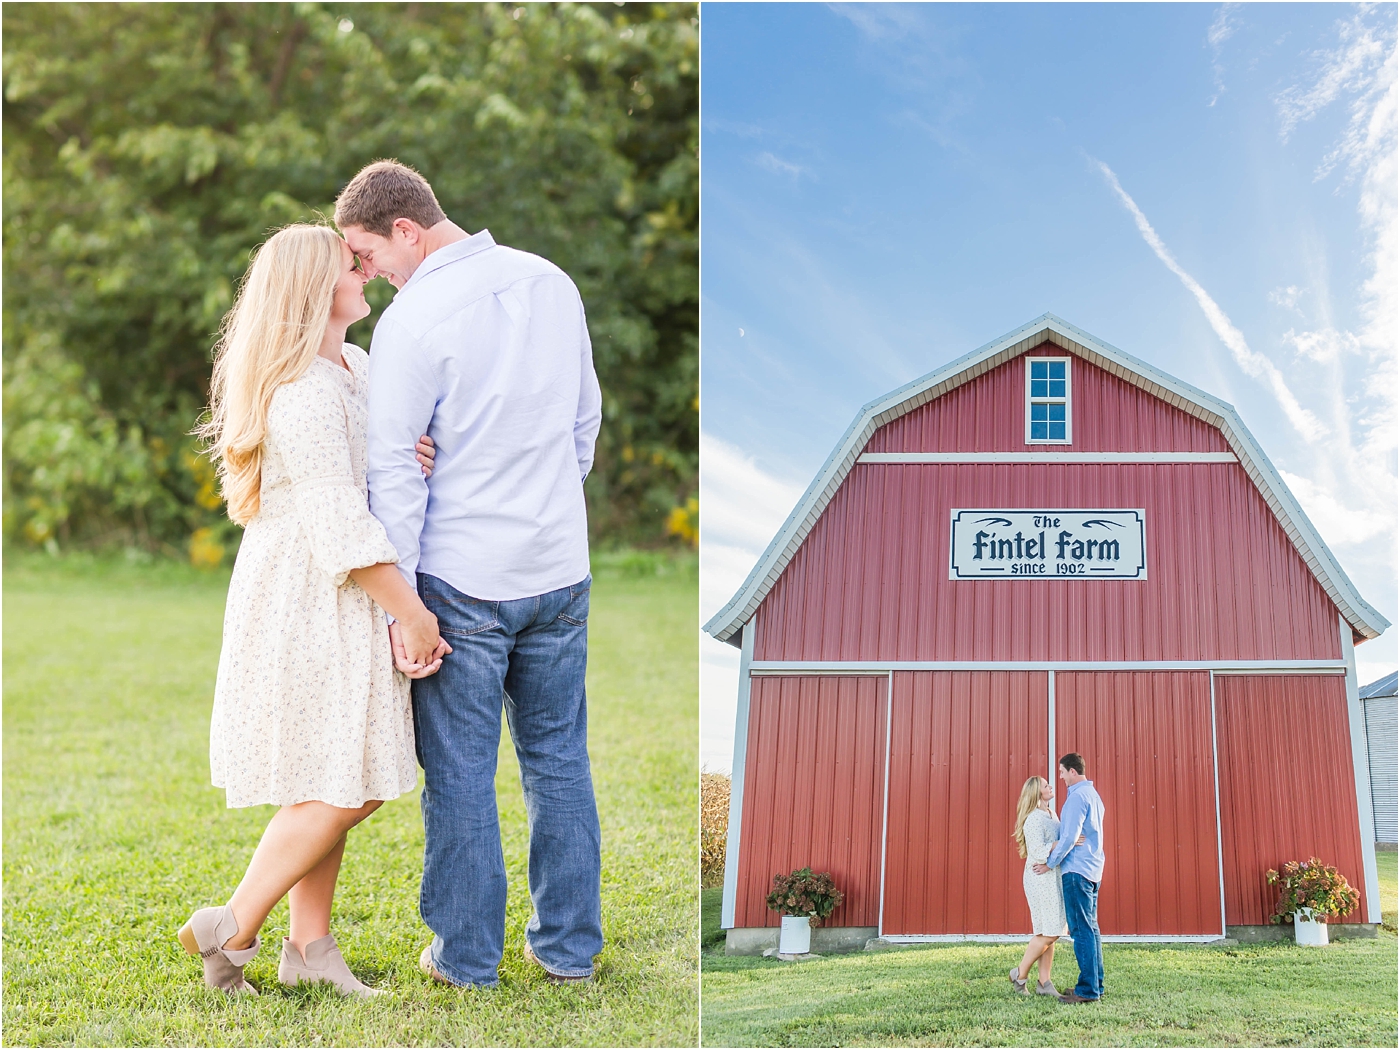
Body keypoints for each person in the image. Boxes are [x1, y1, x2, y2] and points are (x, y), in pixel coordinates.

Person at [334, 160, 604, 988]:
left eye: (366, 254)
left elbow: (395, 475)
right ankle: (567, 952)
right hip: (560, 569)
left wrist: (401, 609)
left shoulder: (412, 323)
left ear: (405, 231)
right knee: (559, 760)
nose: (367, 274)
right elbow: (584, 424)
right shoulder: (551, 281)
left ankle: (465, 959)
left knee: (459, 775)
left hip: (462, 578)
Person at [179, 223, 450, 996]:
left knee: (331, 771)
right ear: (311, 290)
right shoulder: (298, 392)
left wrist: (409, 455)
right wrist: (414, 613)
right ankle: (232, 925)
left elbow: (369, 460)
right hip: (312, 591)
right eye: (350, 264)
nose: (366, 269)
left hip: (339, 589)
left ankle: (309, 947)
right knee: (343, 783)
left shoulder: (354, 367)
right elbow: (338, 522)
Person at [1033, 752, 1106, 1003]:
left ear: (1072, 771)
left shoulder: (1076, 798)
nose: (1061, 778)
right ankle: (1095, 984)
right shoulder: (1094, 796)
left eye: (1063, 772)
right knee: (1091, 929)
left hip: (1076, 871)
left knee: (1081, 930)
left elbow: (1068, 839)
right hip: (1093, 869)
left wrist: (1049, 864)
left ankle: (1087, 991)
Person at [1010, 775, 1067, 996]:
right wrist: (1058, 843)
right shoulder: (1033, 819)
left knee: (1050, 929)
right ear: (1037, 792)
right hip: (1039, 877)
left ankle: (1044, 983)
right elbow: (1037, 851)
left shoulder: (1051, 814)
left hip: (1052, 875)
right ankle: (1020, 974)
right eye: (1046, 785)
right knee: (1049, 931)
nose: (1050, 786)